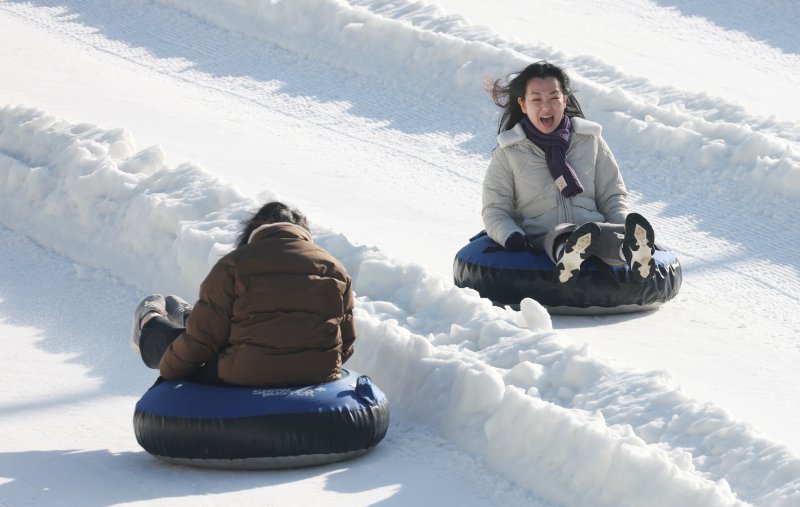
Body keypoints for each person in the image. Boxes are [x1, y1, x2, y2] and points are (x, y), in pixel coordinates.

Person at [130, 201, 357, 387]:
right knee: (219, 334)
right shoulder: (336, 269)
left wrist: (168, 379)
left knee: (186, 343)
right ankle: (192, 317)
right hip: (317, 376)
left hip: (246, 377)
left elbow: (201, 343)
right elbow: (345, 344)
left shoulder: (233, 266)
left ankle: (149, 320)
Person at [482, 61, 657, 285]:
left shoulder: (590, 141)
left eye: (554, 98)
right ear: (523, 105)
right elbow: (495, 209)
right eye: (536, 99)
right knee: (562, 234)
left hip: (595, 228)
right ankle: (570, 256)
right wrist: (511, 235)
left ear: (565, 99)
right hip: (543, 237)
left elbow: (612, 196)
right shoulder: (510, 152)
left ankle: (631, 253)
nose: (546, 107)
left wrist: (623, 225)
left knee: (606, 235)